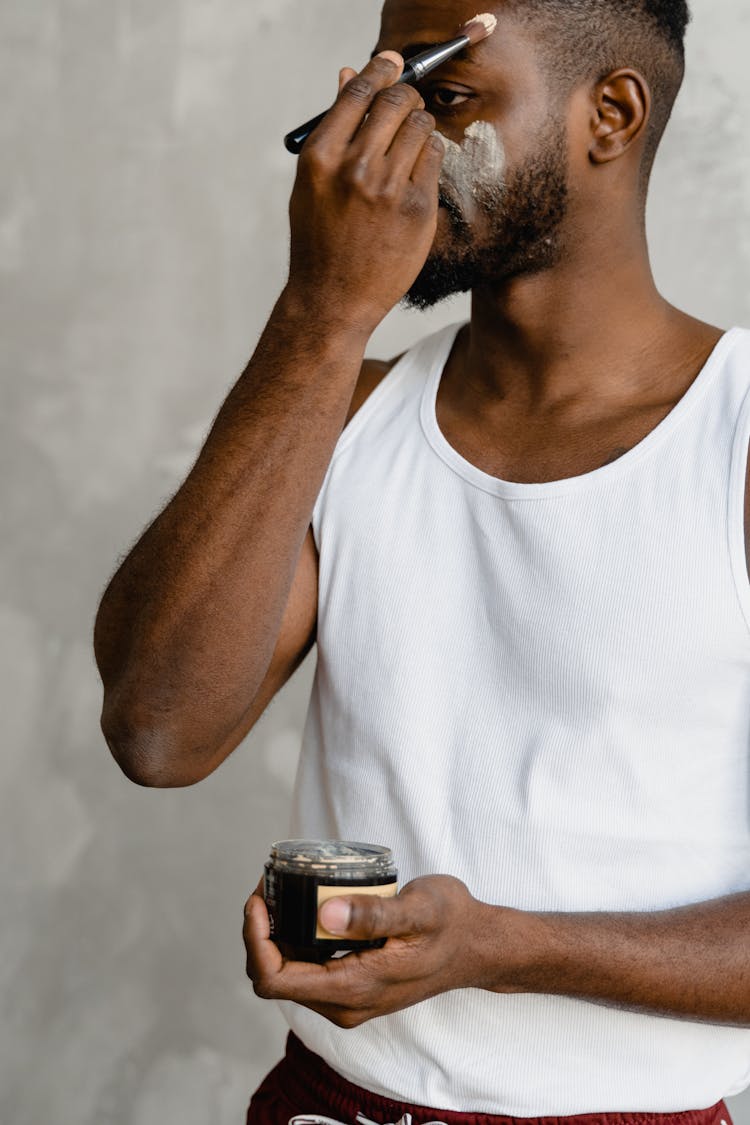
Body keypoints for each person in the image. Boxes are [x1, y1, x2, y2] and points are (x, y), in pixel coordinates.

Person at [93, 0, 750, 1121]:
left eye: (443, 95)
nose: (384, 135)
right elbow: (158, 731)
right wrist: (321, 312)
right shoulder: (343, 411)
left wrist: (497, 946)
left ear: (612, 115)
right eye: (381, 88)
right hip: (328, 1101)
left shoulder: (734, 440)